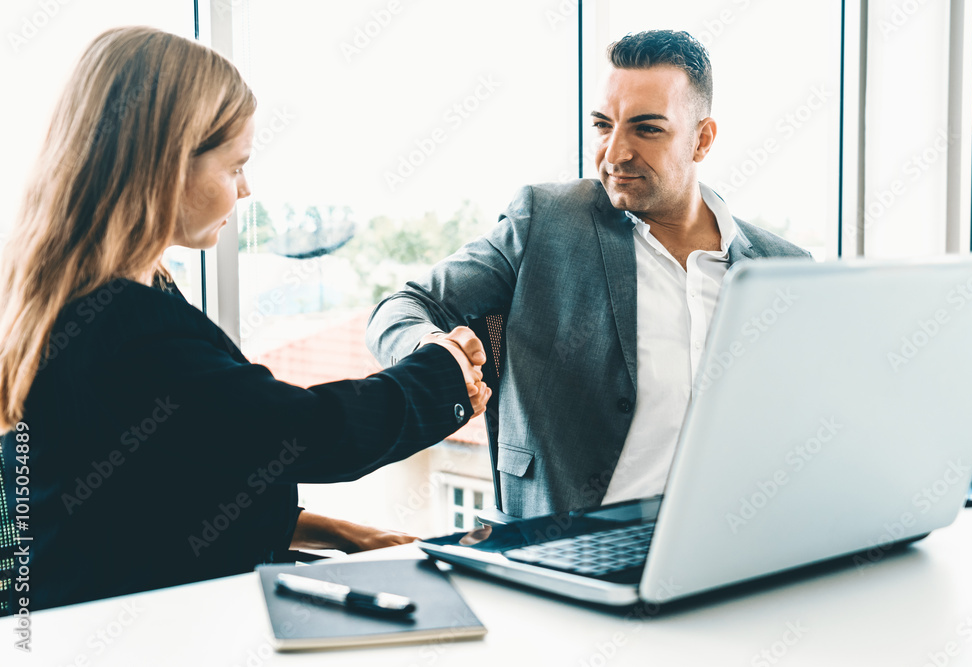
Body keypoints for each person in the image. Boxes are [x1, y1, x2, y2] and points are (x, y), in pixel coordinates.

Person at [0, 26, 489, 612]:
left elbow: (177, 479)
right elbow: (300, 434)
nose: (247, 188)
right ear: (165, 166)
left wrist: (342, 533)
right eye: (235, 167)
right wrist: (441, 373)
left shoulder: (73, 296)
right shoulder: (126, 325)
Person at [366, 30, 810, 519]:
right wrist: (432, 347)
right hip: (563, 540)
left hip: (729, 538)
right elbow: (403, 308)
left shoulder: (784, 269)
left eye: (647, 129)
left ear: (701, 140)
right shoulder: (545, 222)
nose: (615, 154)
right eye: (602, 125)